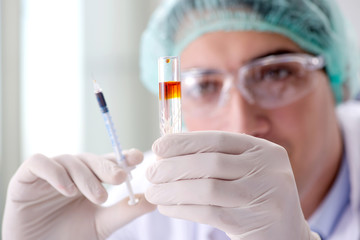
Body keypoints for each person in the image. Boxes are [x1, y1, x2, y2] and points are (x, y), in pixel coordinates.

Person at [2, 0, 360, 239]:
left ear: (339, 78)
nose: (242, 121)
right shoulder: (141, 215)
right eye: (204, 85)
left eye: (275, 74)